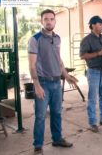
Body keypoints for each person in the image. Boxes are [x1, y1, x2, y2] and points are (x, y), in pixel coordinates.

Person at [28, 9, 78, 154]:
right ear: (41, 21)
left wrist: (66, 76)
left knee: (57, 113)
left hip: (57, 83)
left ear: (55, 21)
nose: (49, 21)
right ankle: (38, 145)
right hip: (43, 83)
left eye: (51, 19)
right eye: (46, 19)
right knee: (40, 116)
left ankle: (57, 139)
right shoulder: (35, 39)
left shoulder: (57, 38)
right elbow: (32, 65)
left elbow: (59, 60)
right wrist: (36, 85)